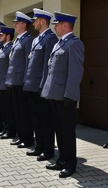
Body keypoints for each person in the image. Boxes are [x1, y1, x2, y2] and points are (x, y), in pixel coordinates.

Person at [41, 11, 84, 178]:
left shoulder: (74, 44)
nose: (55, 27)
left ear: (65, 25)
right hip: (54, 95)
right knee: (59, 130)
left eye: (57, 24)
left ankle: (71, 164)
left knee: (67, 131)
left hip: (65, 97)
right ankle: (62, 159)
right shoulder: (59, 44)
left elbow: (76, 72)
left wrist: (70, 95)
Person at [23, 8, 58, 161]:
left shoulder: (50, 39)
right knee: (36, 119)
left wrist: (43, 87)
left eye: (35, 20)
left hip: (40, 87)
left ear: (42, 21)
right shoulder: (37, 39)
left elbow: (47, 66)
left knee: (45, 120)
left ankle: (48, 150)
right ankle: (39, 146)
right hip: (32, 85)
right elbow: (30, 63)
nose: (33, 23)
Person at [6, 11, 34, 148]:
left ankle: (28, 138)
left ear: (24, 24)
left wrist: (25, 81)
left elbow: (29, 63)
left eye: (17, 23)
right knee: (17, 111)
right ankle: (21, 136)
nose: (14, 25)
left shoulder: (28, 39)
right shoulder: (18, 39)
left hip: (21, 81)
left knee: (24, 112)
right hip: (14, 81)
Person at [0, 25, 16, 139]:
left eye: (2, 35)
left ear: (8, 36)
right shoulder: (2, 48)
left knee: (8, 109)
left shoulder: (10, 48)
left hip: (5, 84)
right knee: (2, 108)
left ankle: (10, 130)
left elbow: (11, 67)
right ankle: (5, 128)